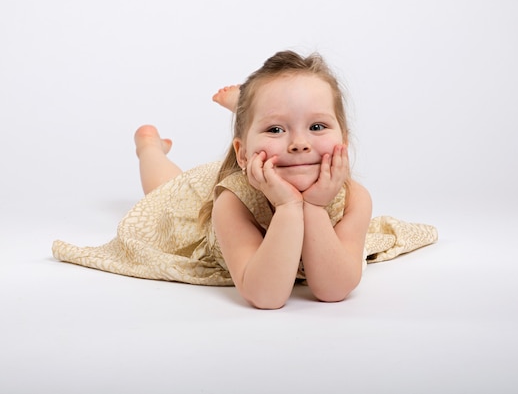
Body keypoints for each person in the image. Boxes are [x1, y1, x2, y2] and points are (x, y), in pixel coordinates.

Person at [52, 50, 438, 309]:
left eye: (318, 126)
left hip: (262, 157)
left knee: (278, 119)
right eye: (277, 130)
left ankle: (254, 112)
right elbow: (265, 295)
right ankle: (151, 148)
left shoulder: (355, 199)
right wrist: (289, 206)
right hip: (222, 190)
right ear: (241, 154)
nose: (301, 144)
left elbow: (334, 289)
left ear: (345, 141)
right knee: (165, 191)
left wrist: (317, 206)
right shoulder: (231, 202)